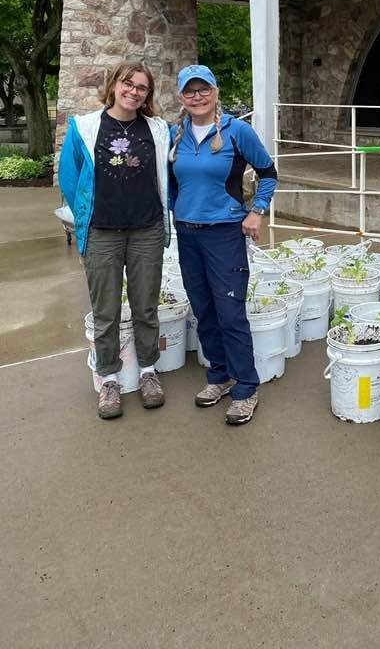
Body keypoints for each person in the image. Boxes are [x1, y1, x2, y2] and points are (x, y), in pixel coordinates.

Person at [58, 60, 171, 419]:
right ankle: (108, 377)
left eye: (142, 87)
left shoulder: (158, 128)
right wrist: (85, 220)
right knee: (106, 310)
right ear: (114, 85)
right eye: (128, 84)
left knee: (146, 306)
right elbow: (69, 178)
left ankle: (149, 372)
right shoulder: (85, 126)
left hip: (146, 230)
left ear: (147, 94)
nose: (134, 91)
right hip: (102, 232)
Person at [169, 65, 277, 426]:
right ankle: (220, 376)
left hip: (225, 233)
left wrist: (256, 212)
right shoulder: (175, 133)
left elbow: (268, 173)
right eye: (190, 91)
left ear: (215, 92)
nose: (197, 97)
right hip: (188, 232)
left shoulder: (238, 131)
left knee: (230, 311)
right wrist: (172, 214)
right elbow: (171, 183)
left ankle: (246, 387)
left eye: (203, 90)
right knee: (204, 309)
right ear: (181, 97)